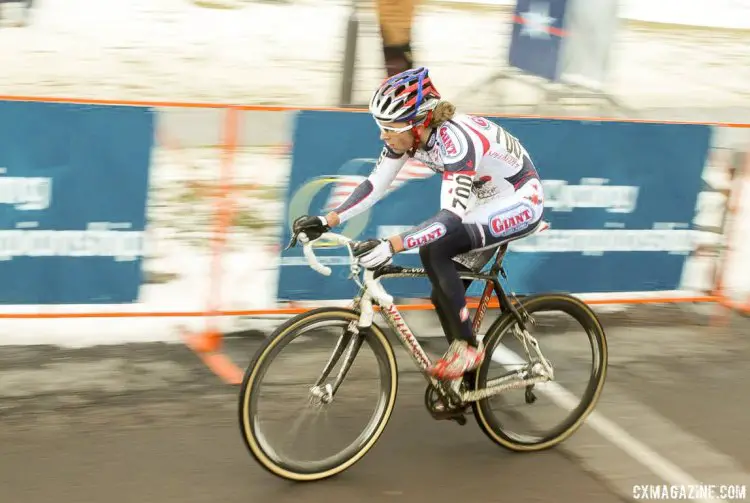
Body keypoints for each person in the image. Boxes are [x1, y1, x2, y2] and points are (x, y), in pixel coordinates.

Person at [292, 67, 545, 382]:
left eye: (389, 127)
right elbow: (375, 185)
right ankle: (468, 368)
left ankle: (468, 348)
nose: (382, 135)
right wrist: (326, 220)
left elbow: (450, 217)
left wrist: (391, 245)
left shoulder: (456, 142)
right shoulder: (409, 138)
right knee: (441, 292)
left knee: (435, 249)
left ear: (418, 123)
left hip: (519, 200)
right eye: (380, 126)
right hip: (486, 199)